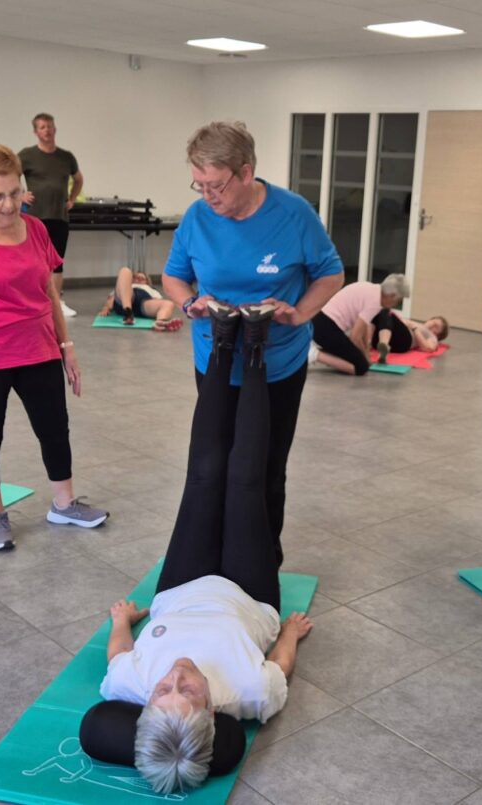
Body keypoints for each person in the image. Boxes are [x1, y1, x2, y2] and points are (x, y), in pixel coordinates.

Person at [99, 303, 313, 795]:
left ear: (145, 707)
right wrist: (292, 636)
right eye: (187, 691)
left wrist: (120, 620)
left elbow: (118, 658)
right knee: (242, 480)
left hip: (180, 588)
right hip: (249, 595)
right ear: (212, 710)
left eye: (163, 692)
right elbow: (278, 667)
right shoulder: (250, 693)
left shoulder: (127, 687)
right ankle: (253, 345)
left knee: (203, 476)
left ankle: (221, 344)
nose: (174, 677)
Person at [161, 121, 343, 565]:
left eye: (216, 185)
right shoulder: (197, 216)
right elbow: (173, 276)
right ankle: (213, 557)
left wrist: (298, 314)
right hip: (215, 361)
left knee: (263, 469)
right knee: (214, 465)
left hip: (278, 365)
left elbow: (330, 273)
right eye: (199, 184)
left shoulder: (293, 214)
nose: (208, 196)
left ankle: (262, 562)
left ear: (246, 173)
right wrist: (189, 305)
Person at [0, 142, 107, 552]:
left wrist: (67, 344)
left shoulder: (37, 229)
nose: (9, 205)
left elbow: (48, 292)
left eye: (14, 192)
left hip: (37, 347)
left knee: (54, 428)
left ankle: (63, 503)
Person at [19, 113, 83, 318]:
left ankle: (57, 302)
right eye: (42, 127)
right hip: (36, 216)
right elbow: (11, 175)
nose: (47, 130)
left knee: (57, 261)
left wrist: (71, 198)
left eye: (49, 126)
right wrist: (20, 194)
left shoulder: (66, 157)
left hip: (59, 215)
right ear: (36, 132)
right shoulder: (27, 155)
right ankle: (32, 300)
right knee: (34, 259)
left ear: (55, 129)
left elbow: (79, 179)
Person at [311, 274, 411, 375]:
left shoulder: (372, 289)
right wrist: (365, 358)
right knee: (361, 367)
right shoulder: (375, 302)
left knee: (352, 355)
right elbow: (355, 337)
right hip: (326, 329)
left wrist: (366, 352)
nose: (395, 305)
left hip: (320, 321)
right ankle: (314, 354)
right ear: (392, 295)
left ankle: (318, 352)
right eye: (398, 301)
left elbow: (364, 327)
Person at [97, 266, 182, 331]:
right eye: (135, 277)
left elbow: (158, 301)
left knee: (169, 303)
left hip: (143, 303)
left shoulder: (151, 289)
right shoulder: (125, 285)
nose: (138, 280)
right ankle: (128, 312)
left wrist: (160, 309)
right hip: (125, 299)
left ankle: (160, 322)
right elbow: (112, 298)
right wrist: (106, 308)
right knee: (125, 270)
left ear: (147, 282)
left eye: (141, 279)